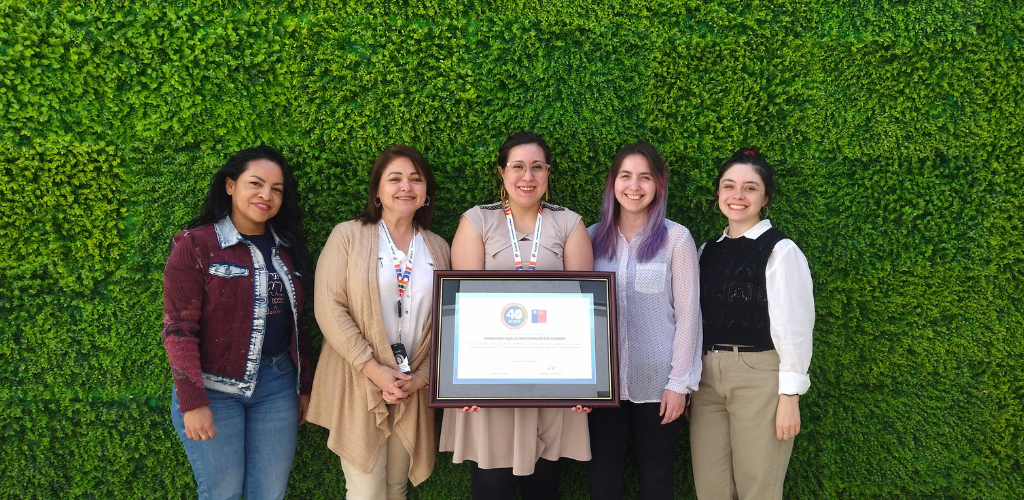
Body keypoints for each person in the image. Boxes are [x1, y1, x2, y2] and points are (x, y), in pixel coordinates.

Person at [439, 131, 594, 500]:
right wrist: (463, 382)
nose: (528, 177)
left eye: (537, 167)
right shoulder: (477, 221)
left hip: (553, 383)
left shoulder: (569, 223)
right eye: (518, 167)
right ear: (502, 173)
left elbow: (585, 309)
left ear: (548, 173)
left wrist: (588, 382)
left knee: (545, 484)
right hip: (489, 383)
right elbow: (463, 308)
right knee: (492, 485)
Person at [162, 145, 314, 500]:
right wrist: (192, 399)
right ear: (230, 185)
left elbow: (300, 324)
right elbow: (179, 329)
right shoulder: (196, 244)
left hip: (278, 387)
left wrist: (303, 384)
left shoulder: (287, 248)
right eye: (256, 184)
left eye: (277, 189)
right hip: (214, 391)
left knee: (270, 494)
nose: (266, 195)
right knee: (222, 493)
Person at [306, 145, 451, 499]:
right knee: (366, 490)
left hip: (410, 387)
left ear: (426, 192)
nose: (406, 187)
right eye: (395, 178)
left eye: (416, 179)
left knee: (396, 487)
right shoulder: (347, 235)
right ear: (377, 190)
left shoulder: (439, 248)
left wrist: (422, 377)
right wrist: (372, 368)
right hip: (359, 381)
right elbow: (329, 307)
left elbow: (451, 324)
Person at [689, 147, 814, 500]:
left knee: (758, 487)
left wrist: (790, 396)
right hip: (707, 380)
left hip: (759, 378)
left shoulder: (781, 251)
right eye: (729, 186)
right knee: (710, 487)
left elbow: (795, 327)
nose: (737, 196)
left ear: (765, 197)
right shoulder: (705, 250)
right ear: (717, 193)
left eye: (750, 188)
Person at [586, 141, 702, 499]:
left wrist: (679, 384)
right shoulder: (590, 239)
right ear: (612, 182)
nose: (634, 186)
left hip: (658, 385)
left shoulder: (676, 239)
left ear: (658, 185)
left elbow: (688, 314)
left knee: (657, 481)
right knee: (603, 482)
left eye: (644, 177)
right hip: (602, 388)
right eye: (625, 176)